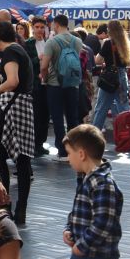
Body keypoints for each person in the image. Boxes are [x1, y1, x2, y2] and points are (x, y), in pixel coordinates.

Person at [62, 124, 123, 259]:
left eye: (69, 153)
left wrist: (83, 246)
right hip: (85, 253)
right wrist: (69, 229)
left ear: (81, 154)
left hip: (96, 257)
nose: (68, 159)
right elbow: (78, 211)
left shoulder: (102, 183)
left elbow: (103, 222)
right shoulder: (87, 178)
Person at [0, 21, 35, 225]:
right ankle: (21, 208)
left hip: (11, 107)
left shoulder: (10, 52)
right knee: (23, 160)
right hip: (24, 107)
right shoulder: (20, 50)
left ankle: (5, 206)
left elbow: (12, 81)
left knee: (0, 156)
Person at [41, 15, 83, 161]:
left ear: (56, 24)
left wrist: (44, 78)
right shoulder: (77, 41)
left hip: (55, 84)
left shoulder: (51, 42)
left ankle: (63, 152)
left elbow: (44, 66)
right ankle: (74, 150)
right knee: (72, 118)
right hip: (72, 83)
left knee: (58, 118)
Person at [91, 20, 130, 133]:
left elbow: (98, 60)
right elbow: (129, 62)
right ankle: (126, 133)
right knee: (123, 107)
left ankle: (94, 133)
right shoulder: (125, 43)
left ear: (110, 30)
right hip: (122, 75)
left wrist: (106, 62)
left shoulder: (108, 43)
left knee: (101, 107)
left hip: (110, 76)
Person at [25, 16, 49, 157]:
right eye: (37, 27)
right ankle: (33, 144)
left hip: (47, 83)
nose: (39, 30)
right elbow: (26, 63)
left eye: (42, 27)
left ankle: (40, 143)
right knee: (35, 115)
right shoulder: (28, 43)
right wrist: (37, 59)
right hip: (35, 84)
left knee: (45, 115)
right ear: (32, 28)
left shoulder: (48, 42)